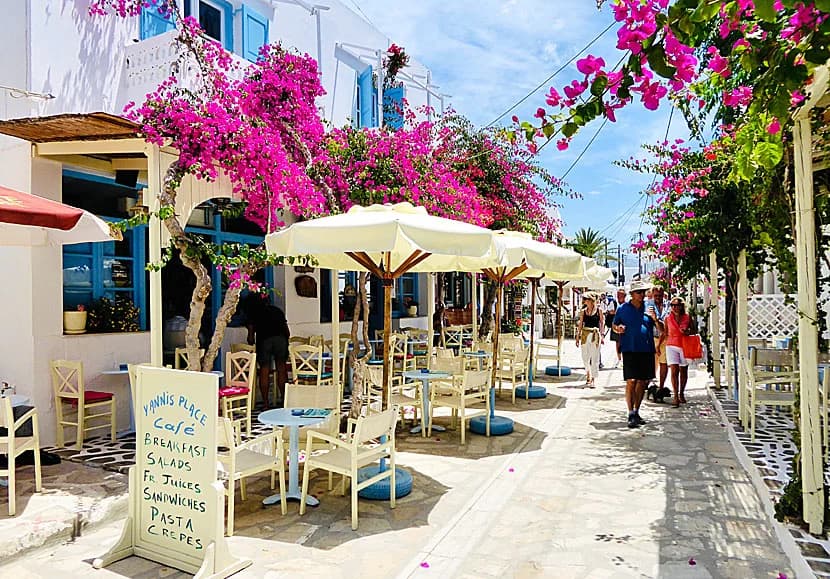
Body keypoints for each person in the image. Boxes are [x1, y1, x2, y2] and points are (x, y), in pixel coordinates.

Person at [612, 280, 663, 428]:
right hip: (629, 348)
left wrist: (655, 318)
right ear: (632, 294)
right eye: (639, 292)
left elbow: (661, 329)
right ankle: (630, 413)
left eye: (644, 292)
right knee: (631, 380)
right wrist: (618, 329)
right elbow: (614, 326)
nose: (642, 295)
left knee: (642, 381)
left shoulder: (650, 308)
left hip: (646, 349)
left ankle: (636, 410)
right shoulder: (623, 309)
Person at [245, 295, 290, 409]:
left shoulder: (254, 314)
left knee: (264, 370)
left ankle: (265, 403)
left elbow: (250, 339)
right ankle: (284, 399)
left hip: (264, 341)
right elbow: (287, 332)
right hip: (281, 340)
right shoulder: (277, 311)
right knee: (281, 369)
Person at [665, 297, 692, 407]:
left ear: (682, 306)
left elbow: (694, 330)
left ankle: (681, 393)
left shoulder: (687, 317)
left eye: (677, 305)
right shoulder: (668, 318)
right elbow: (665, 332)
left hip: (684, 345)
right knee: (674, 371)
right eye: (673, 305)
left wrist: (687, 331)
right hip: (671, 345)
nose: (675, 307)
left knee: (683, 370)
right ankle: (675, 395)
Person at [645, 286, 670, 401]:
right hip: (651, 337)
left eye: (660, 295)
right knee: (650, 363)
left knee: (663, 363)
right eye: (656, 296)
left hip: (665, 338)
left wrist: (656, 320)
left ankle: (661, 385)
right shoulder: (647, 305)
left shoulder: (668, 305)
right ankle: (649, 384)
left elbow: (666, 326)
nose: (658, 298)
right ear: (652, 295)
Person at [576, 292, 604, 387]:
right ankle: (588, 373)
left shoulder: (599, 310)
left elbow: (601, 323)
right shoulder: (583, 311)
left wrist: (602, 335)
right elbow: (580, 324)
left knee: (595, 357)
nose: (584, 301)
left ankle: (593, 378)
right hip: (585, 334)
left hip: (595, 335)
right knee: (585, 357)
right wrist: (577, 336)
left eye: (586, 299)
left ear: (591, 301)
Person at [609, 288, 626, 368]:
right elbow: (609, 311)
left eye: (621, 295)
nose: (619, 297)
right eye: (618, 295)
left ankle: (624, 359)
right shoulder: (614, 303)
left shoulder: (627, 304)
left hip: (625, 325)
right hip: (615, 324)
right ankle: (619, 359)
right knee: (617, 343)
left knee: (625, 343)